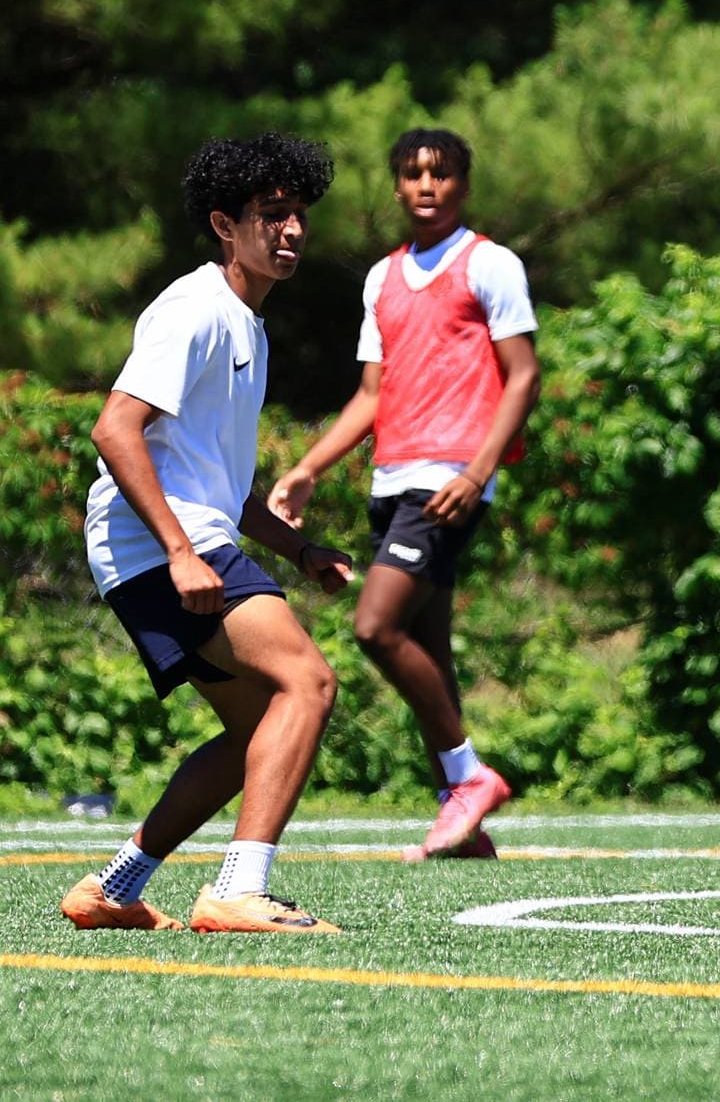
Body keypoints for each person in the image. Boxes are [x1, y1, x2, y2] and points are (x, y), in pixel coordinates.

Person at [63, 133, 353, 935]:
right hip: (157, 544)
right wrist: (182, 552)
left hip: (172, 540)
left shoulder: (247, 325)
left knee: (258, 729)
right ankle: (238, 890)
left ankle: (114, 887)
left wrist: (300, 549)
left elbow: (220, 483)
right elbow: (114, 429)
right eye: (271, 213)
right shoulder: (195, 309)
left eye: (299, 213)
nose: (292, 229)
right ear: (225, 224)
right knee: (309, 682)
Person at [268, 130, 537, 860]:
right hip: (391, 481)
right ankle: (463, 821)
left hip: (449, 482)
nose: (426, 184)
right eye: (413, 173)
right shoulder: (382, 278)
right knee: (429, 650)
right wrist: (309, 468)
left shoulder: (490, 264)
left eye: (441, 173)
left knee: (375, 627)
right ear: (396, 187)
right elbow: (371, 396)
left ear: (463, 186)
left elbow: (523, 376)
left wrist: (476, 471)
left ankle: (470, 778)